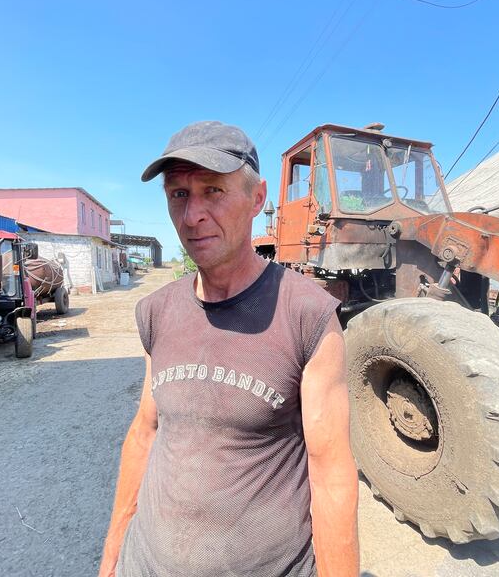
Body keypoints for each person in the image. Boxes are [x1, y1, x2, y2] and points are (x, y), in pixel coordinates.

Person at [99, 121, 358, 577]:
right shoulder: (156, 311)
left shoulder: (307, 315)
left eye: (213, 191)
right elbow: (145, 432)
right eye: (178, 194)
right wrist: (111, 559)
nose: (191, 215)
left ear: (257, 199)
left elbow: (331, 472)